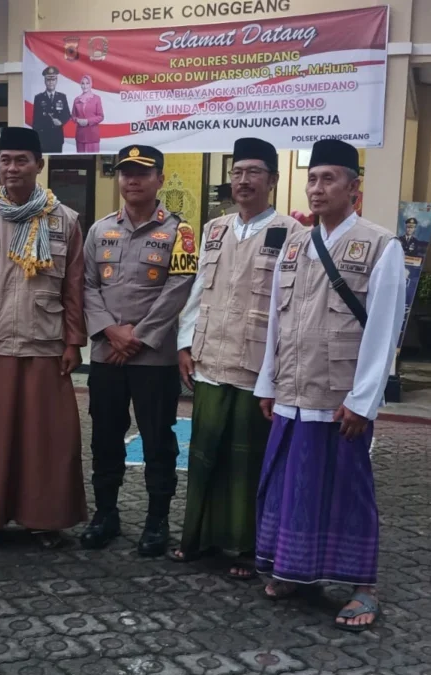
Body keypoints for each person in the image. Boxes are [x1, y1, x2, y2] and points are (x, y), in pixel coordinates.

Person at [254, 139, 405, 632]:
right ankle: (298, 573)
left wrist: (364, 401)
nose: (317, 189)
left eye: (329, 179)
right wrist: (266, 384)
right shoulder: (294, 243)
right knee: (291, 486)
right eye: (312, 179)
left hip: (340, 398)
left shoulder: (382, 246)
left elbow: (383, 332)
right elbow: (277, 321)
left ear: (354, 188)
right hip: (293, 393)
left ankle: (364, 587)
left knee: (348, 491)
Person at [171, 138, 306, 580]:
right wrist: (184, 344)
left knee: (248, 460)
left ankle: (247, 549)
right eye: (237, 172)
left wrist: (280, 371)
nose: (243, 180)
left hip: (257, 369)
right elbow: (197, 293)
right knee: (205, 454)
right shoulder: (214, 229)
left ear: (273, 179)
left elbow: (295, 307)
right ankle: (198, 539)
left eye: (253, 172)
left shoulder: (292, 233)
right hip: (211, 361)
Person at [0, 127, 88, 548]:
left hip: (43, 345)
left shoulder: (65, 221)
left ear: (38, 165)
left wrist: (73, 342)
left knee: (45, 440)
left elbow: (74, 288)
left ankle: (43, 520)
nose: (12, 168)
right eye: (5, 159)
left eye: (21, 160)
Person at [81, 144, 197, 557]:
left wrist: (137, 337)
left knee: (157, 441)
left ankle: (156, 521)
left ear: (160, 180)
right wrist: (111, 331)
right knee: (105, 437)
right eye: (125, 172)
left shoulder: (179, 233)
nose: (132, 179)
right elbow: (87, 286)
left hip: (154, 359)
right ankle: (106, 515)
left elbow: (178, 290)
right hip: (106, 356)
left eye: (142, 173)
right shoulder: (98, 231)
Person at [33, 66, 70, 154]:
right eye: (48, 80)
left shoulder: (62, 97)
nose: (50, 83)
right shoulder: (38, 98)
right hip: (43, 138)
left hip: (57, 137)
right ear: (45, 81)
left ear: (56, 81)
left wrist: (61, 122)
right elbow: (35, 120)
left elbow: (67, 114)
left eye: (53, 80)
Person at [72, 74, 104, 153]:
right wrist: (78, 120)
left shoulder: (97, 98)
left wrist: (88, 121)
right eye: (83, 83)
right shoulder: (76, 99)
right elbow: (73, 116)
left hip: (92, 136)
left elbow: (101, 116)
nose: (85, 86)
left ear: (91, 84)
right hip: (80, 136)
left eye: (87, 83)